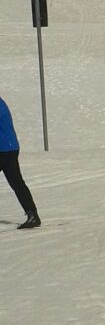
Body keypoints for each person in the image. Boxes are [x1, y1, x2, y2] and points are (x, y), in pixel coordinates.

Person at [0, 96, 41, 229]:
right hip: (7, 148)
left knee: (17, 183)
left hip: (6, 150)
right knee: (17, 183)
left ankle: (32, 215)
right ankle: (32, 214)